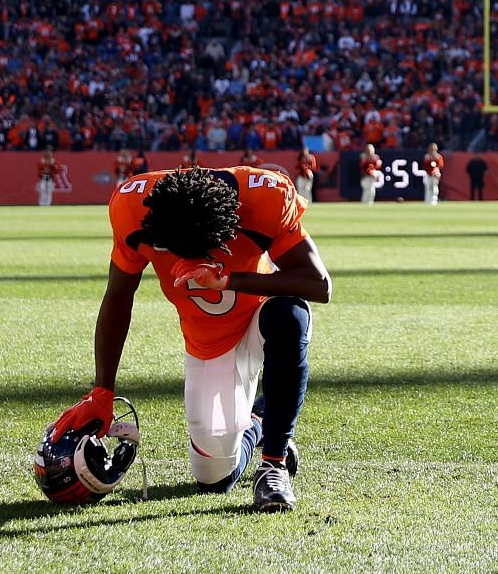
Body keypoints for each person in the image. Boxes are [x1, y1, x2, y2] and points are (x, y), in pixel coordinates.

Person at [49, 165, 330, 511]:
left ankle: (273, 463)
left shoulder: (263, 197)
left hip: (260, 319)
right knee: (214, 480)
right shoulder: (131, 207)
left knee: (290, 315)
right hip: (208, 346)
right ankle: (259, 421)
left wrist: (228, 279)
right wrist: (102, 390)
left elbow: (318, 284)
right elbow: (119, 295)